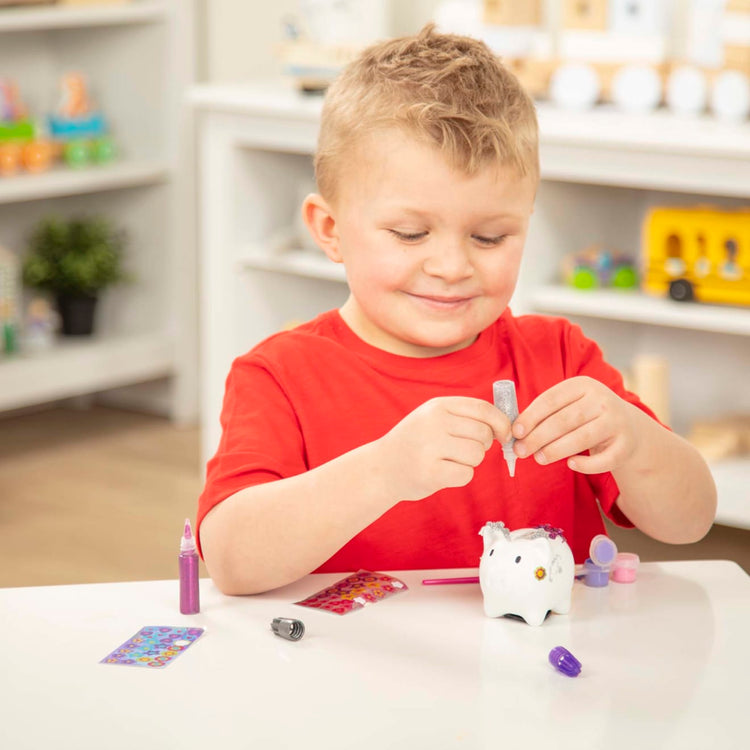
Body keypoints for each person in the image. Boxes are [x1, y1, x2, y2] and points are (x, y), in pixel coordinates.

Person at [198, 25, 716, 595]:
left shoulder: (561, 358)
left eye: (490, 238)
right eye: (411, 233)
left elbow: (689, 523)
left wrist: (634, 440)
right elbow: (232, 562)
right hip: (357, 672)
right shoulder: (279, 376)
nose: (451, 266)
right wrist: (385, 470)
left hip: (541, 669)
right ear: (330, 230)